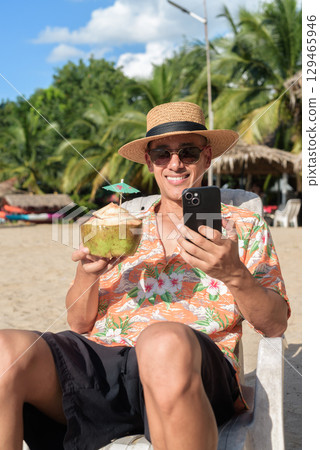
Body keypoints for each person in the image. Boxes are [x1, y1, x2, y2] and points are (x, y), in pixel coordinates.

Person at [0, 102, 289, 450]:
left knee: (161, 340)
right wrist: (87, 274)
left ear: (207, 157)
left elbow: (274, 325)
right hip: (107, 367)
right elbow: (78, 323)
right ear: (149, 162)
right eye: (162, 153)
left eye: (188, 151)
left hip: (191, 367)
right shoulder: (122, 226)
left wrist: (236, 275)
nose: (176, 163)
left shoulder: (241, 224)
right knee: (5, 352)